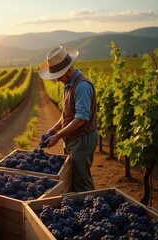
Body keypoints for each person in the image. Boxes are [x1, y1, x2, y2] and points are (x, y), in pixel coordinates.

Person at [39, 46, 98, 192]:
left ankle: (90, 207)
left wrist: (58, 136)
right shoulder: (69, 84)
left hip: (82, 139)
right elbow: (67, 114)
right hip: (74, 138)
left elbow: (81, 119)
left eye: (59, 75)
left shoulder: (82, 86)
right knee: (72, 176)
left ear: (68, 69)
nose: (57, 79)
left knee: (81, 180)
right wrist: (55, 128)